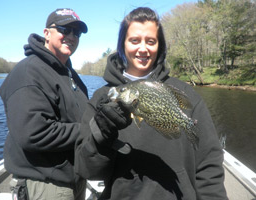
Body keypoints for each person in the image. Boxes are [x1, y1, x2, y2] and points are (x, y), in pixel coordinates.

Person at [74, 7, 228, 200]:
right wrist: (102, 135)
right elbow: (86, 169)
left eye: (151, 41)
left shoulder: (187, 94)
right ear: (122, 44)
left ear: (159, 46)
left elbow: (209, 164)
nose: (143, 48)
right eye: (134, 40)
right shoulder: (101, 98)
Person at [0, 8, 88, 200]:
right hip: (47, 185)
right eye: (65, 29)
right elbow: (34, 133)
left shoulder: (69, 74)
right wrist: (90, 130)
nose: (71, 36)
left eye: (77, 32)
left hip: (74, 179)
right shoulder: (29, 72)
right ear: (46, 33)